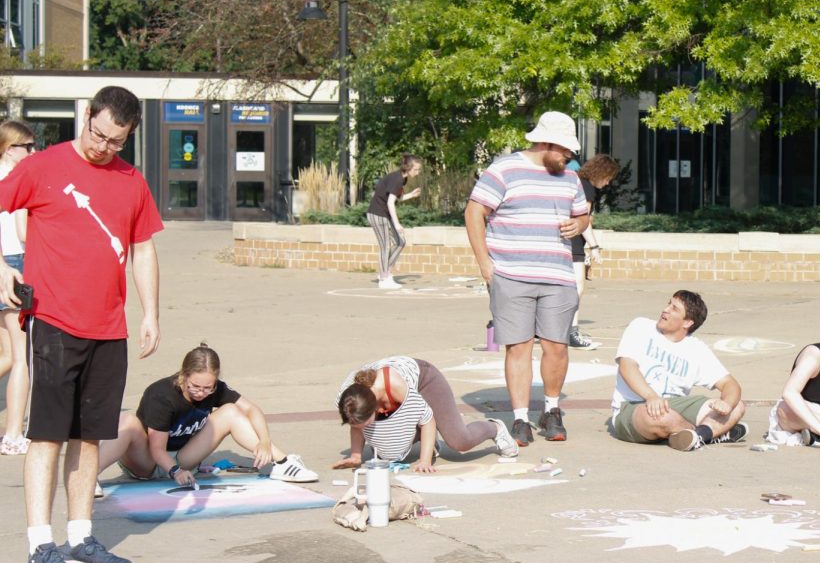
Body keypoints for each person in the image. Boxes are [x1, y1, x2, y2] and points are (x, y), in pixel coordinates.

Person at [0, 86, 162, 563]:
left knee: (89, 435)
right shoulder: (42, 167)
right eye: (98, 134)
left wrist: (151, 312)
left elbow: (142, 250)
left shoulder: (131, 181)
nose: (103, 147)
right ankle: (39, 548)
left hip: (108, 328)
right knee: (47, 434)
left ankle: (81, 537)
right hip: (51, 322)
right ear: (86, 116)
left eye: (116, 141)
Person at [464, 111, 590, 445]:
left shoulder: (570, 178)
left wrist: (580, 225)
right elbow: (474, 211)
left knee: (557, 346)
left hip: (558, 274)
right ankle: (519, 419)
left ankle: (551, 410)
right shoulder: (504, 169)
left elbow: (582, 213)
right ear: (547, 143)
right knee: (518, 347)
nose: (569, 156)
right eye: (565, 150)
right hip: (511, 274)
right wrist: (484, 264)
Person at [95, 344, 318, 491]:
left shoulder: (216, 389)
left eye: (207, 388)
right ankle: (90, 478)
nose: (201, 393)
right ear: (183, 375)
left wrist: (265, 441)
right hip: (147, 461)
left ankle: (283, 462)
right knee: (127, 422)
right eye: (195, 386)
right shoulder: (161, 395)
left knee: (231, 411)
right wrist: (175, 471)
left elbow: (252, 410)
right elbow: (157, 450)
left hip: (183, 458)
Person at [610, 290, 748, 451]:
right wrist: (651, 397)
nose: (666, 309)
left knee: (737, 405)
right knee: (662, 417)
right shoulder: (641, 327)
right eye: (669, 303)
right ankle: (710, 434)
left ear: (687, 322)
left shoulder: (696, 349)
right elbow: (627, 366)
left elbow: (729, 384)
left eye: (674, 308)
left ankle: (697, 436)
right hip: (633, 407)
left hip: (675, 407)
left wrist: (727, 403)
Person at [333, 355, 518, 472]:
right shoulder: (349, 398)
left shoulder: (395, 387)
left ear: (376, 408)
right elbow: (356, 424)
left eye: (366, 423)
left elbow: (427, 420)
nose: (362, 428)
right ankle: (426, 440)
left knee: (459, 441)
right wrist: (356, 456)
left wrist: (424, 461)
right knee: (387, 454)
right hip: (387, 396)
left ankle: (494, 428)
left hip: (425, 379)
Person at [0, 120, 36, 456]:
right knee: (21, 356)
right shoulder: (16, 181)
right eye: (28, 146)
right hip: (13, 264)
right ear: (10, 148)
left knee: (8, 354)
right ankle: (13, 433)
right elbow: (25, 233)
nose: (33, 151)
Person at [568, 154, 620, 350]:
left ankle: (558, 329)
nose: (607, 183)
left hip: (566, 239)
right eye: (608, 178)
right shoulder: (587, 188)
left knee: (566, 287)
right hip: (573, 241)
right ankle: (571, 332)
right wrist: (594, 246)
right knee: (577, 287)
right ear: (601, 173)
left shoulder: (577, 182)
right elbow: (584, 221)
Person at [366, 154, 422, 289]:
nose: (418, 172)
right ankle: (384, 279)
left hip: (384, 214)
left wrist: (411, 195)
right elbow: (391, 203)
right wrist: (397, 224)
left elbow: (397, 198)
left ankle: (384, 272)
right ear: (408, 167)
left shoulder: (403, 179)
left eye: (419, 170)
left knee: (400, 242)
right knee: (385, 246)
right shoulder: (396, 179)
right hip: (377, 214)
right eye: (416, 169)